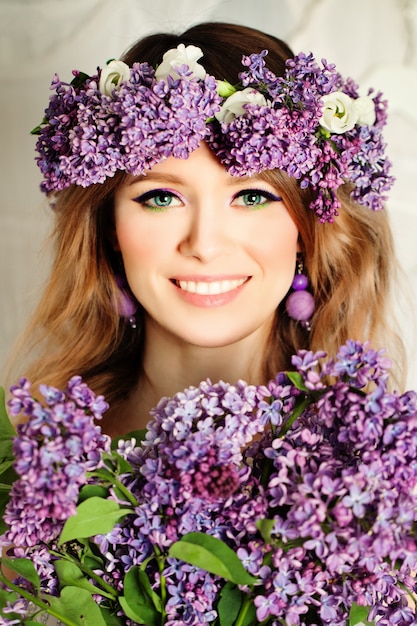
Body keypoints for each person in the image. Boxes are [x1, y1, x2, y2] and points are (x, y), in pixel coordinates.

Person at [7, 21, 405, 439]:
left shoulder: (376, 461)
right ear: (110, 228)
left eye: (252, 197)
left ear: (309, 227)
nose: (205, 245)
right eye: (161, 197)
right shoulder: (37, 462)